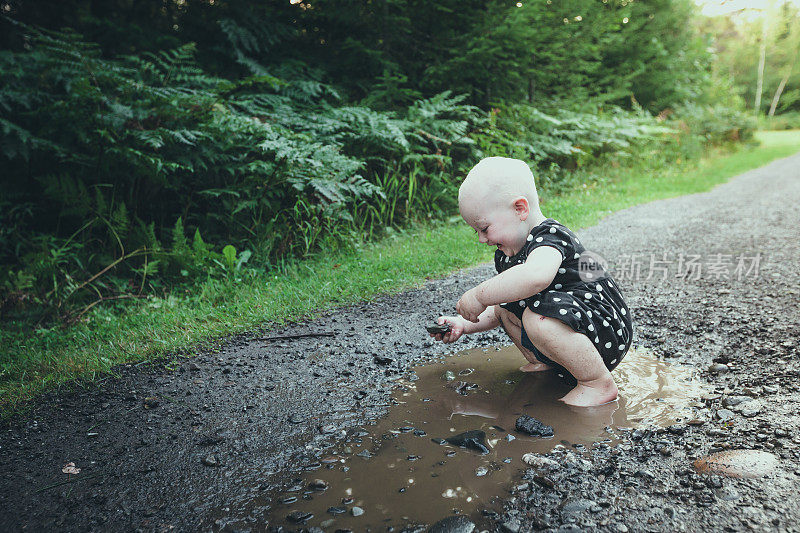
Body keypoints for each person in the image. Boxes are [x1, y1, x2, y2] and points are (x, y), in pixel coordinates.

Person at [430, 157, 632, 407]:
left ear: (520, 209)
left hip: (604, 328)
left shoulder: (550, 236)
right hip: (575, 328)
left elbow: (536, 277)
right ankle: (545, 362)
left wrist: (480, 294)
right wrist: (463, 324)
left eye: (484, 228)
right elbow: (497, 308)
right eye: (476, 232)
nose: (482, 239)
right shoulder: (509, 253)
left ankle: (597, 383)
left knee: (536, 319)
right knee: (506, 306)